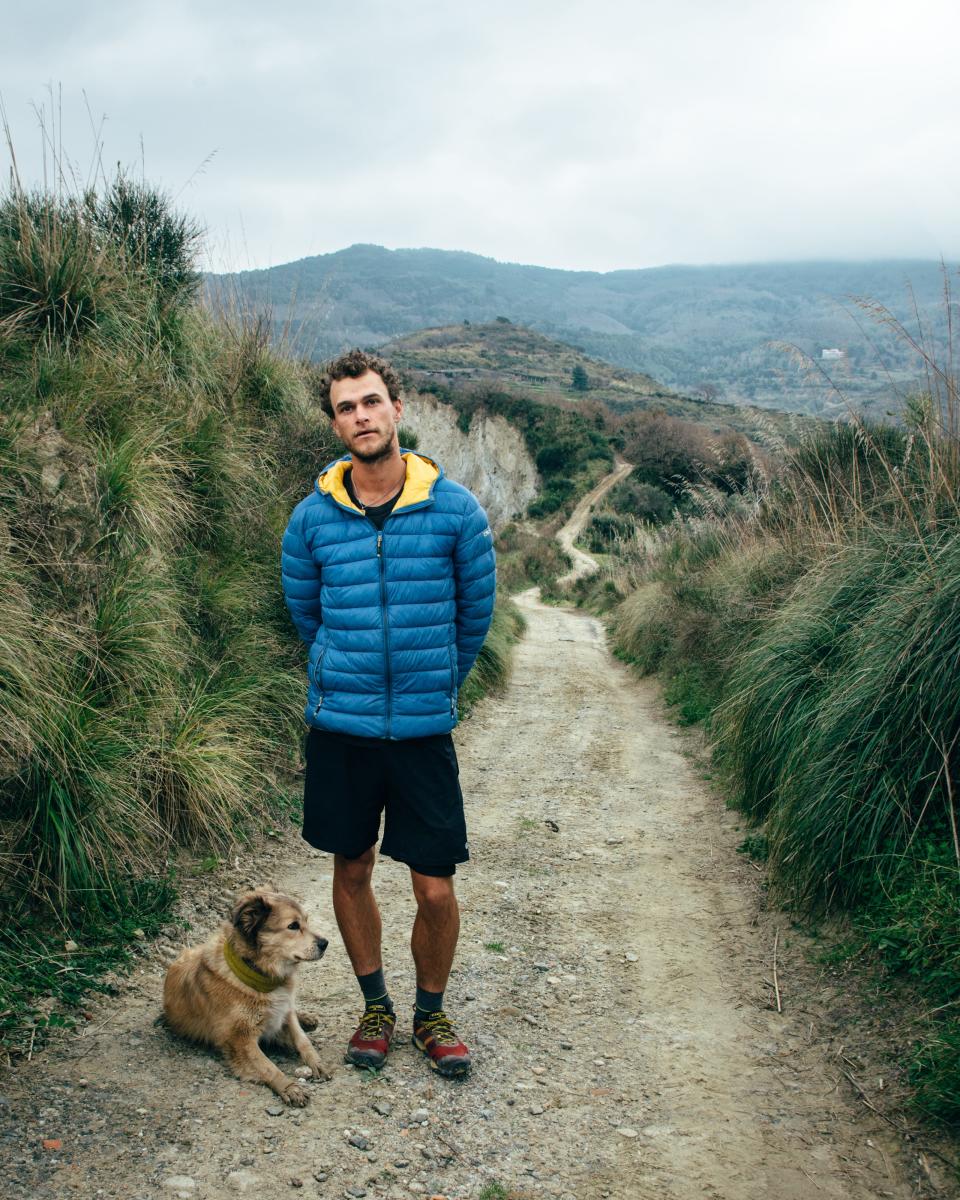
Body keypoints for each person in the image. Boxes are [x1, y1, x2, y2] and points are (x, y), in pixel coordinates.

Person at [281, 348, 496, 1078]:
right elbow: (307, 616)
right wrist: (345, 679)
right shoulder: (311, 520)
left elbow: (474, 617)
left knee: (434, 885)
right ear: (335, 423)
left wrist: (433, 686)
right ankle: (377, 1007)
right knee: (352, 867)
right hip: (342, 728)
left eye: (371, 402)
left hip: (421, 733)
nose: (360, 417)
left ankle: (432, 1015)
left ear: (398, 410)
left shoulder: (455, 511)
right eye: (346, 407)